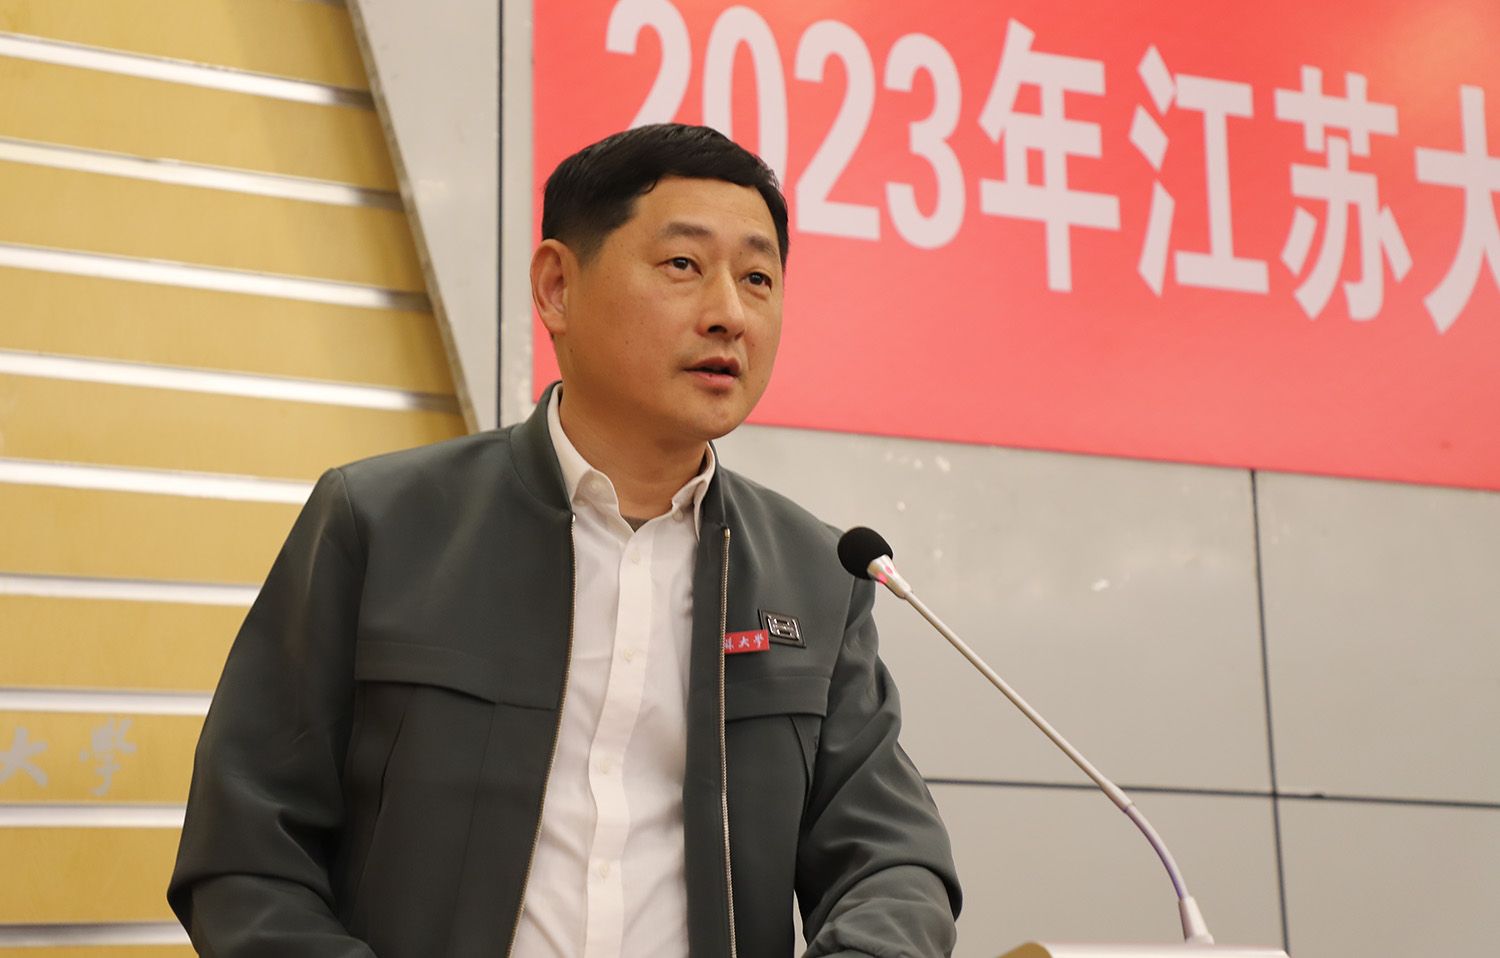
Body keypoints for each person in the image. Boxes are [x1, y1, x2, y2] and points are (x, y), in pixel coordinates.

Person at [168, 123, 960, 957]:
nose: (729, 313)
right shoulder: (381, 524)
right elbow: (248, 852)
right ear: (556, 288)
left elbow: (894, 861)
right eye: (683, 265)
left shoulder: (818, 578)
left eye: (757, 278)